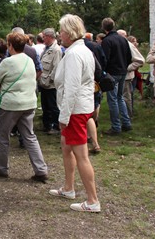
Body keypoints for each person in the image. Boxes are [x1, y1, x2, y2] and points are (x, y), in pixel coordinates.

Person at [49, 14, 100, 213]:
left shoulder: (73, 54)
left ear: (69, 33)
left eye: (61, 30)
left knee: (81, 155)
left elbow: (71, 87)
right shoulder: (82, 50)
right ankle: (69, 188)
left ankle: (92, 200)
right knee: (66, 146)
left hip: (75, 110)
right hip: (80, 107)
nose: (59, 34)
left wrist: (64, 116)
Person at [0, 32, 48, 182]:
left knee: (3, 136)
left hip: (11, 104)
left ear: (10, 45)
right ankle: (41, 169)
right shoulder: (29, 60)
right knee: (30, 136)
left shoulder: (8, 62)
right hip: (29, 103)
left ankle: (1, 168)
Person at [101, 18, 133, 135]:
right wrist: (124, 66)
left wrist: (104, 72)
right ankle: (126, 122)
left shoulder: (107, 41)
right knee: (120, 97)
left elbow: (105, 58)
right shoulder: (123, 40)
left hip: (112, 72)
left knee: (113, 99)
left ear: (104, 28)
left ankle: (116, 126)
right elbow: (129, 56)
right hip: (123, 71)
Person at [39, 28, 62, 134]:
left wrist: (50, 80)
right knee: (45, 105)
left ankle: (56, 126)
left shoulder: (56, 50)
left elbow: (57, 67)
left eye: (44, 36)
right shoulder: (46, 48)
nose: (43, 38)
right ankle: (47, 125)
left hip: (50, 84)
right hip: (43, 82)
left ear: (49, 37)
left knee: (52, 105)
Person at [123, 36, 145, 118]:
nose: (136, 43)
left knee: (128, 94)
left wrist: (129, 68)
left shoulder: (132, 49)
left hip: (130, 75)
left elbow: (140, 61)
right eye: (134, 41)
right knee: (126, 94)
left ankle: (129, 114)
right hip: (129, 74)